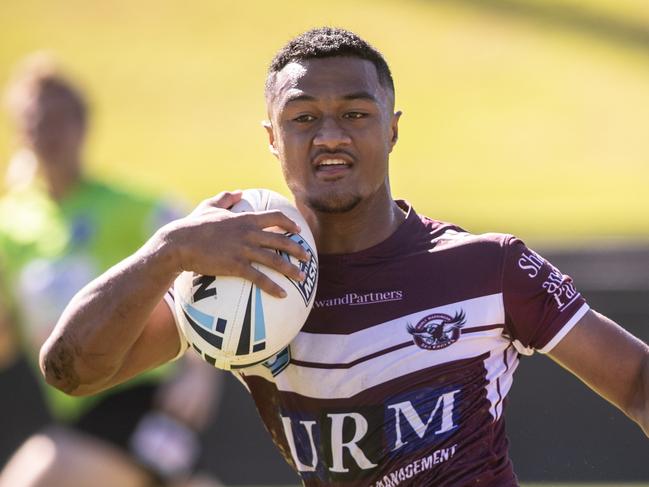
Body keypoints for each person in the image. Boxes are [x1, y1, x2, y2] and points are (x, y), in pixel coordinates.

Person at [40, 27, 648, 486]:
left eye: (355, 114)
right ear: (272, 139)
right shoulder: (242, 280)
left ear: (392, 129)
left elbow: (637, 382)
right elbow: (72, 371)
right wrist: (167, 251)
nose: (330, 134)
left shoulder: (487, 268)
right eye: (303, 118)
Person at [0, 54, 223, 487]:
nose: (46, 133)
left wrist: (200, 374)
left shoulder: (132, 207)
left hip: (146, 396)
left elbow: (203, 273)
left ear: (82, 126)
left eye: (58, 120)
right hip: (78, 402)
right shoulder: (10, 225)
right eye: (34, 121)